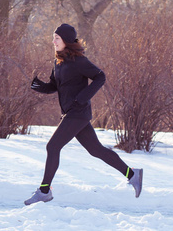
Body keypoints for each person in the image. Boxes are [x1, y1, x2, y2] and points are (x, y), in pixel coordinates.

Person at [24, 23, 143, 206]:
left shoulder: (78, 61)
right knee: (96, 150)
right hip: (72, 113)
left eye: (57, 38)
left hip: (77, 113)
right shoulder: (58, 62)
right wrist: (39, 86)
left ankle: (44, 191)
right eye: (53, 38)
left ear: (66, 41)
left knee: (52, 147)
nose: (53, 41)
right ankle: (133, 174)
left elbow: (100, 76)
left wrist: (83, 97)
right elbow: (55, 86)